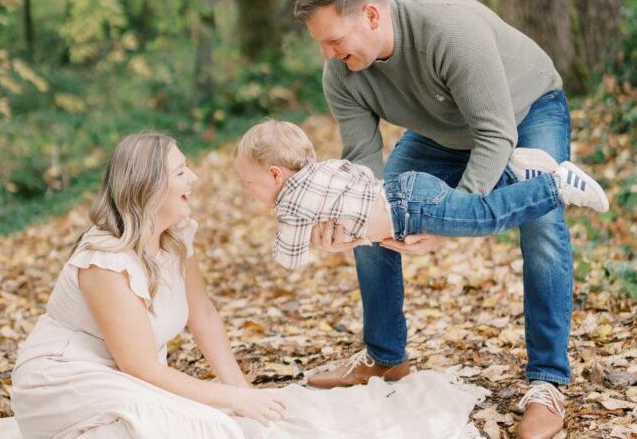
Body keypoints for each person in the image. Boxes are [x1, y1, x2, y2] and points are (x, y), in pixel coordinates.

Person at [292, 0, 589, 439]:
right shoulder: (341, 73)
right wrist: (358, 221)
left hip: (525, 111)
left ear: (371, 15)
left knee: (542, 222)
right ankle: (386, 355)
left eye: (334, 40)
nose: (327, 53)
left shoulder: (448, 29)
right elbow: (365, 168)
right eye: (321, 43)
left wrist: (446, 220)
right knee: (373, 207)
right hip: (442, 133)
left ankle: (548, 381)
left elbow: (495, 134)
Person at [0, 132, 286, 439]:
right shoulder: (105, 260)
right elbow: (141, 368)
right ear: (148, 188)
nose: (194, 178)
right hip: (63, 381)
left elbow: (205, 317)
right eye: (181, 171)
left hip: (125, 382)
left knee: (218, 434)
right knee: (213, 434)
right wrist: (231, 402)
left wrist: (239, 391)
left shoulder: (177, 238)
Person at [235, 119, 606, 275]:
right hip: (406, 191)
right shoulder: (322, 169)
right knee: (476, 211)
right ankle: (515, 173)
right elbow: (362, 175)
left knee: (482, 217)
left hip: (407, 209)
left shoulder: (292, 203)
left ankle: (554, 184)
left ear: (274, 175)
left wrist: (306, 245)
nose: (247, 192)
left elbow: (290, 259)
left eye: (248, 183)